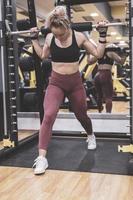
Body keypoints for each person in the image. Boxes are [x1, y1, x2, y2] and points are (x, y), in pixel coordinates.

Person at [30, 6, 108, 175]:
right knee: (49, 114)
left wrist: (102, 35)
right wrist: (34, 39)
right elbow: (43, 56)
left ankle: (90, 135)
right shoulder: (50, 37)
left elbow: (98, 54)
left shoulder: (79, 37)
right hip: (56, 82)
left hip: (75, 84)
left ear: (68, 27)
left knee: (82, 115)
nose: (59, 37)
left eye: (62, 34)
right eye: (56, 34)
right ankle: (42, 158)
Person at [87, 44, 127, 113]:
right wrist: (125, 54)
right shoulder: (111, 53)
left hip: (97, 75)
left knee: (99, 96)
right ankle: (108, 114)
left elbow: (89, 62)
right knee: (108, 97)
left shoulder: (99, 54)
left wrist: (88, 54)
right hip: (106, 74)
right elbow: (121, 62)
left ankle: (99, 112)